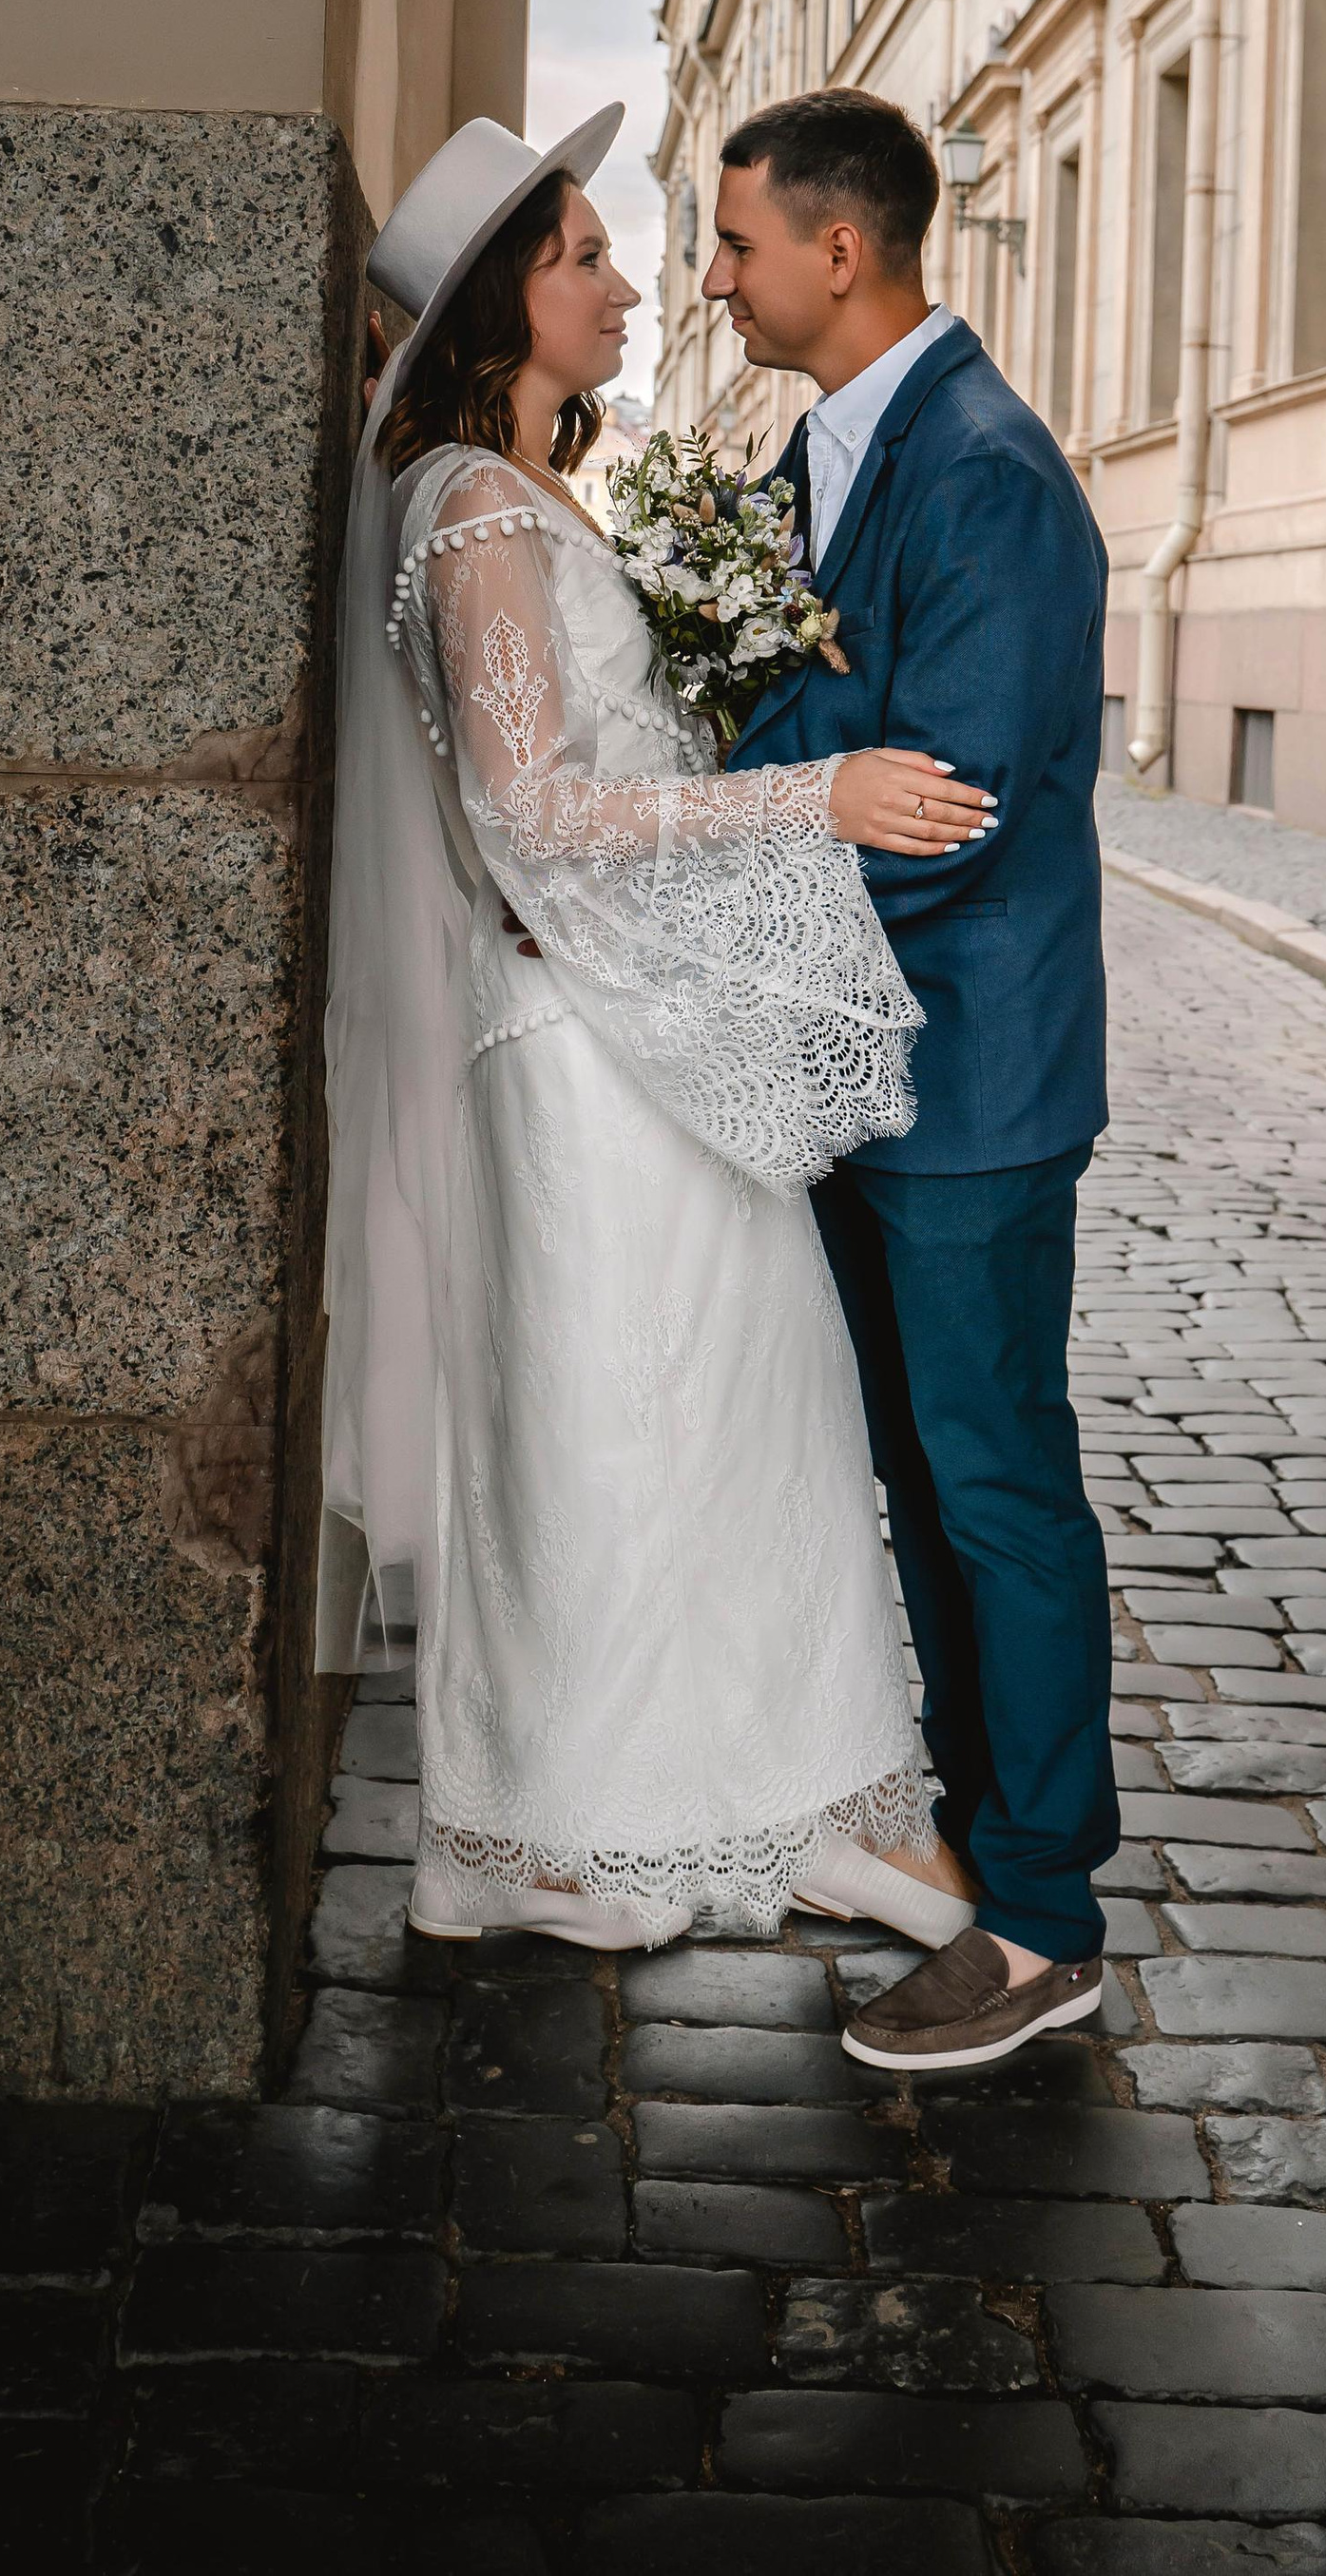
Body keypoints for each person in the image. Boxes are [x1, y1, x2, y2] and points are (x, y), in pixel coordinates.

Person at [317, 106, 998, 1952]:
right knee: (605, 1437)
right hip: (572, 1044)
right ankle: (547, 1830)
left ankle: (765, 1796)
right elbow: (528, 812)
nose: (634, 290)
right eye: (587, 260)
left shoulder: (529, 496)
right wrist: (813, 797)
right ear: (497, 309)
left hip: (634, 1023)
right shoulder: (467, 506)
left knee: (723, 1420)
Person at [709, 87, 1120, 2072]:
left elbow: (935, 805)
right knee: (919, 1485)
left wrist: (693, 876)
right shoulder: (827, 449)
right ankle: (975, 1844)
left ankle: (1044, 1915)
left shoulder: (984, 472)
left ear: (835, 250)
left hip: (968, 1080)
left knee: (996, 1485)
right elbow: (802, 714)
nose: (714, 278)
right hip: (865, 1064)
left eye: (732, 245)